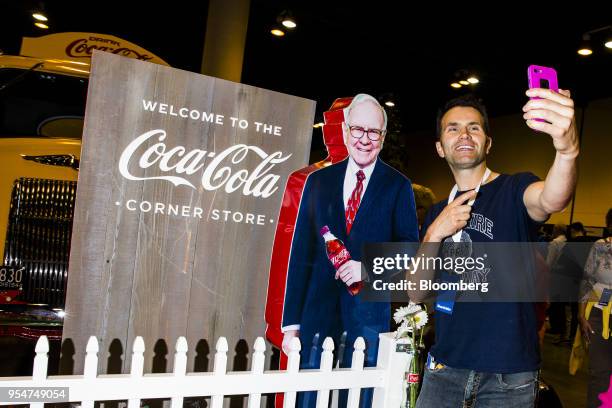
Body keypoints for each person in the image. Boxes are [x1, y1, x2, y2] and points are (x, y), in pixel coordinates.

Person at [410, 88, 578, 407]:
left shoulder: (514, 190)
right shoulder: (435, 213)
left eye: (474, 127)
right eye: (453, 127)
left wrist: (567, 150)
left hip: (508, 376)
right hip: (444, 368)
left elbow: (553, 197)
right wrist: (433, 234)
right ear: (439, 148)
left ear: (487, 143)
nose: (464, 133)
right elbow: (416, 293)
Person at [281, 93, 419, 407]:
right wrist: (291, 326)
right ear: (346, 132)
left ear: (383, 138)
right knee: (308, 397)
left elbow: (410, 250)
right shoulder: (318, 182)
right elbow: (300, 252)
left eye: (374, 132)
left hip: (368, 318)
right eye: (358, 130)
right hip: (316, 315)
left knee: (358, 398)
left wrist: (366, 267)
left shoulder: (399, 186)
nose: (365, 139)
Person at [578, 208, 612, 408]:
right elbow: (586, 280)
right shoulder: (600, 247)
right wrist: (582, 315)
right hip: (600, 313)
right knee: (599, 371)